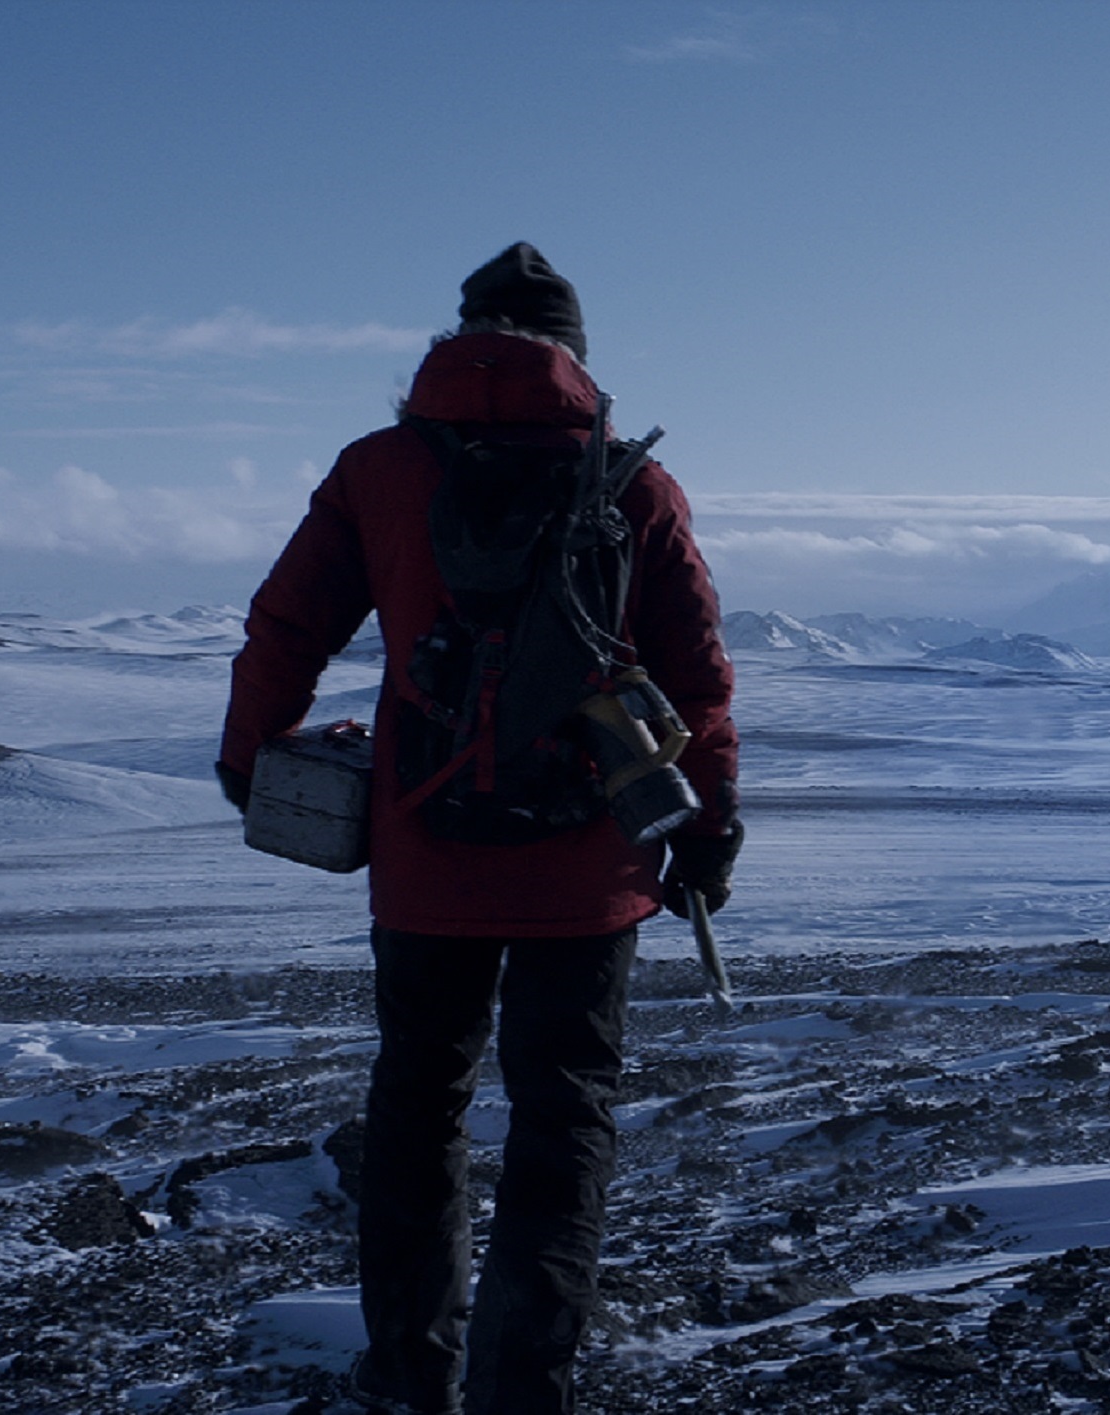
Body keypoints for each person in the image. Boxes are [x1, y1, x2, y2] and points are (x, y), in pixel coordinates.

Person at [219, 243, 741, 1415]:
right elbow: (697, 678)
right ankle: (527, 1391)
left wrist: (250, 756)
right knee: (563, 1120)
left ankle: (410, 1378)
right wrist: (708, 819)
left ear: (459, 337)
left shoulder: (380, 470)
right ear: (577, 356)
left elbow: (286, 624)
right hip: (592, 864)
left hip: (425, 852)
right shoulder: (633, 484)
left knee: (418, 1105)